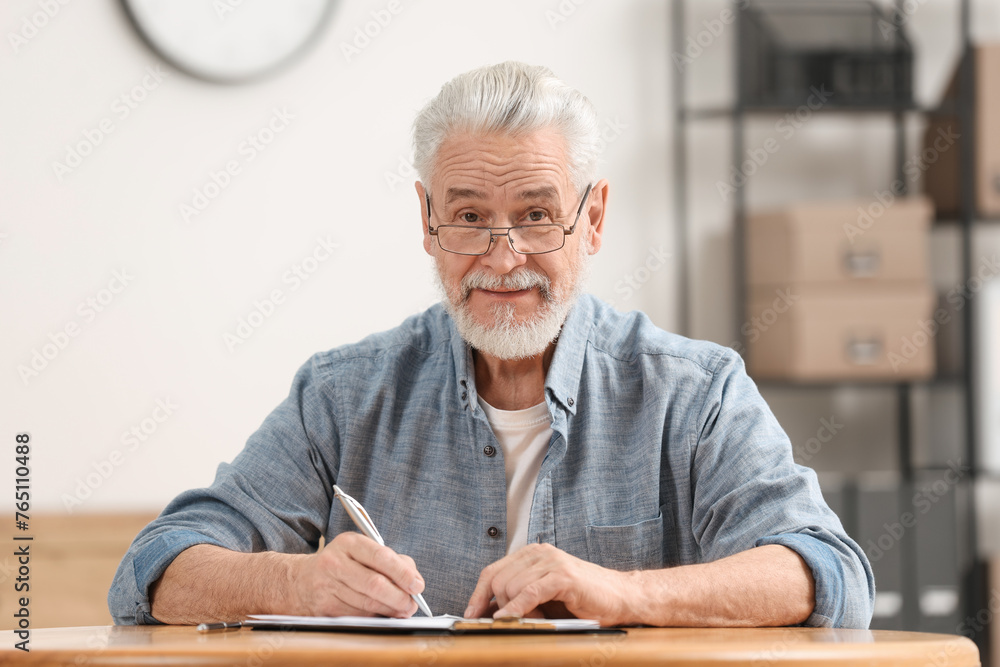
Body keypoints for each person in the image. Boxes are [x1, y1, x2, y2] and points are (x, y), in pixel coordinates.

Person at [109, 61, 874, 629]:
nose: (502, 257)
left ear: (594, 218)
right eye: (469, 216)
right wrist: (293, 582)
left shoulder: (694, 391)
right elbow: (154, 569)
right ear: (426, 220)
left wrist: (626, 593)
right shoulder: (342, 394)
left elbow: (832, 576)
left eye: (537, 215)